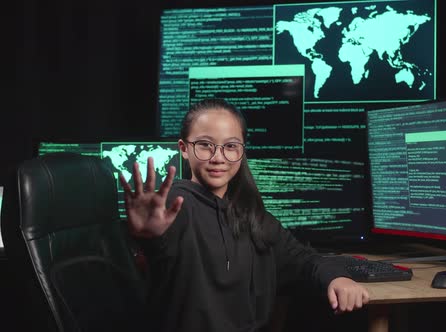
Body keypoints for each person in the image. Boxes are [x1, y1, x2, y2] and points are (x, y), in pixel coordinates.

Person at [119, 98, 369, 332]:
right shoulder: (176, 205)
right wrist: (151, 237)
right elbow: (161, 246)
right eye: (205, 145)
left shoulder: (251, 216)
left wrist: (337, 277)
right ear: (184, 149)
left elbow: (304, 260)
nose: (218, 158)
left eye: (230, 146)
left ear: (241, 150)